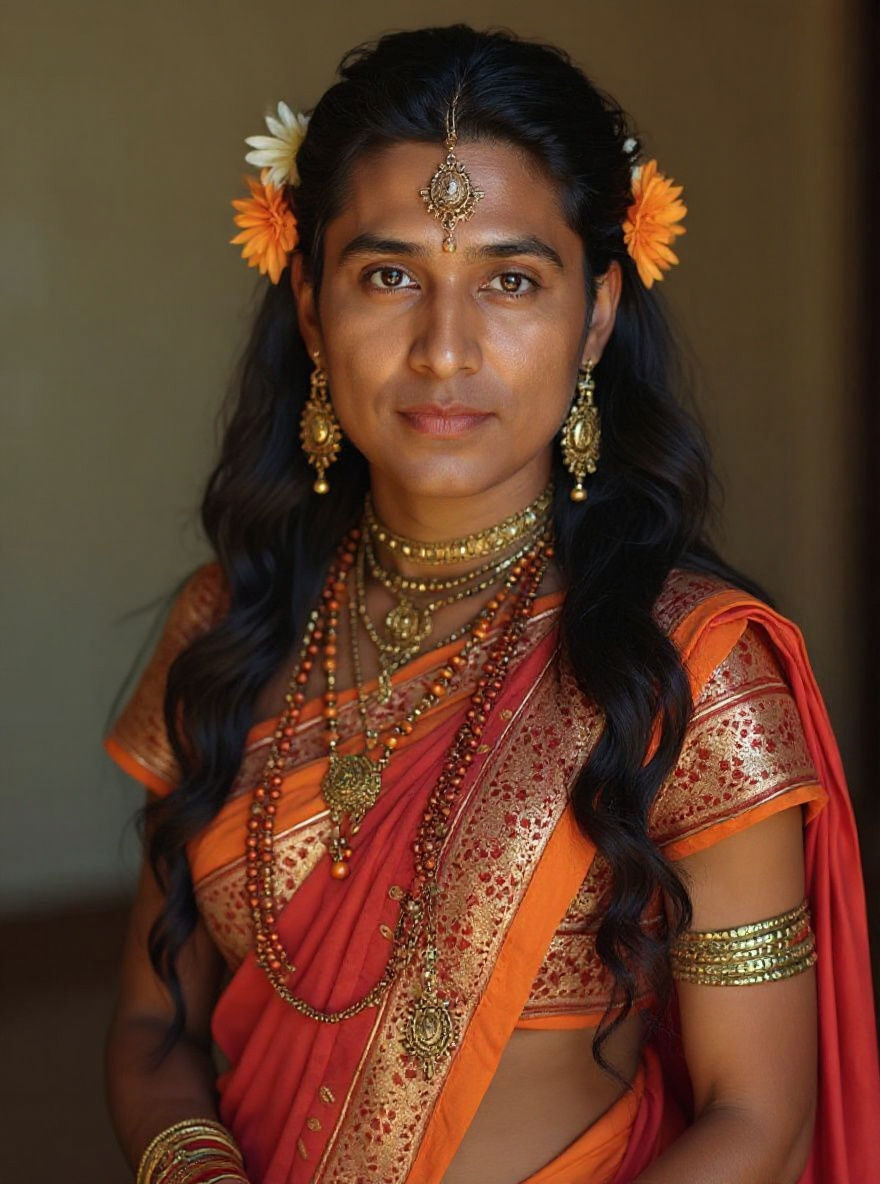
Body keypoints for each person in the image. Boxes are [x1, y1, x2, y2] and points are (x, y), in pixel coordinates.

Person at [104, 24, 880, 1184]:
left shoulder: (688, 667)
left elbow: (756, 1118)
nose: (443, 348)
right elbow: (152, 1026)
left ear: (598, 313)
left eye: (510, 280)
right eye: (388, 275)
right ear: (312, 304)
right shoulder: (229, 625)